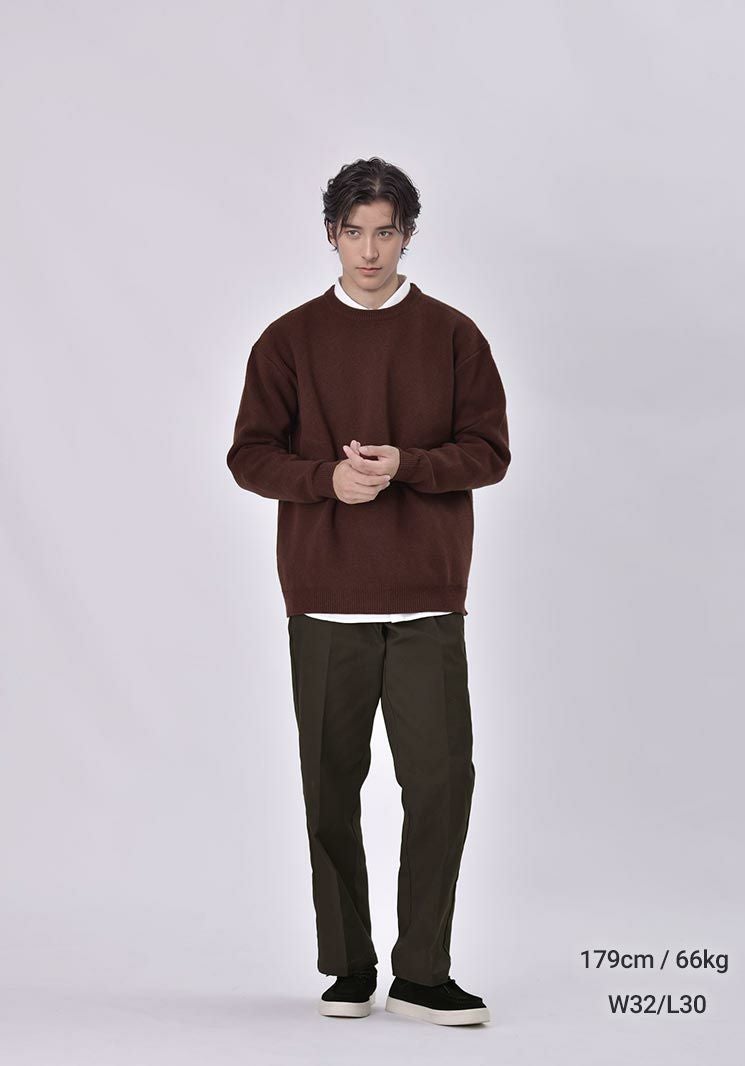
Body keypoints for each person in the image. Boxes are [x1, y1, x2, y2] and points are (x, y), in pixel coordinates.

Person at [226, 156, 511, 1026]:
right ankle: (349, 967)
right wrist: (326, 481)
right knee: (329, 791)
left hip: (427, 600)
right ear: (332, 235)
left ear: (408, 234)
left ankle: (422, 973)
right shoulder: (288, 340)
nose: (371, 250)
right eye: (355, 232)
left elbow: (490, 452)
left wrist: (408, 465)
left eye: (386, 232)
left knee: (441, 787)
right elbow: (249, 456)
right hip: (324, 601)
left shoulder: (454, 336)